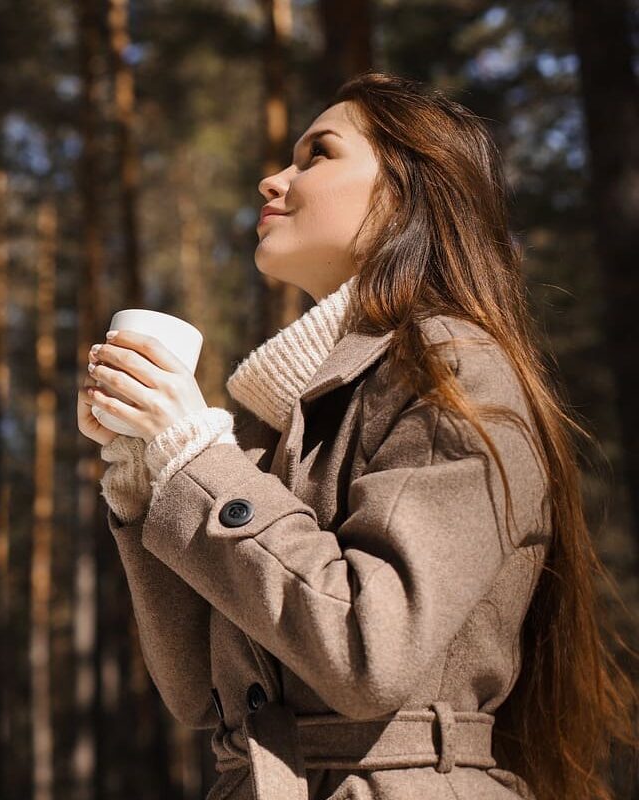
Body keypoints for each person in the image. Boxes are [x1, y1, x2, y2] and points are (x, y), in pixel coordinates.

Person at [76, 71, 637, 800]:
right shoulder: (276, 421)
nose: (272, 179)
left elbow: (370, 650)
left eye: (318, 155)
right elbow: (196, 694)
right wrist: (147, 468)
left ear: (406, 194)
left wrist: (193, 457)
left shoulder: (453, 368)